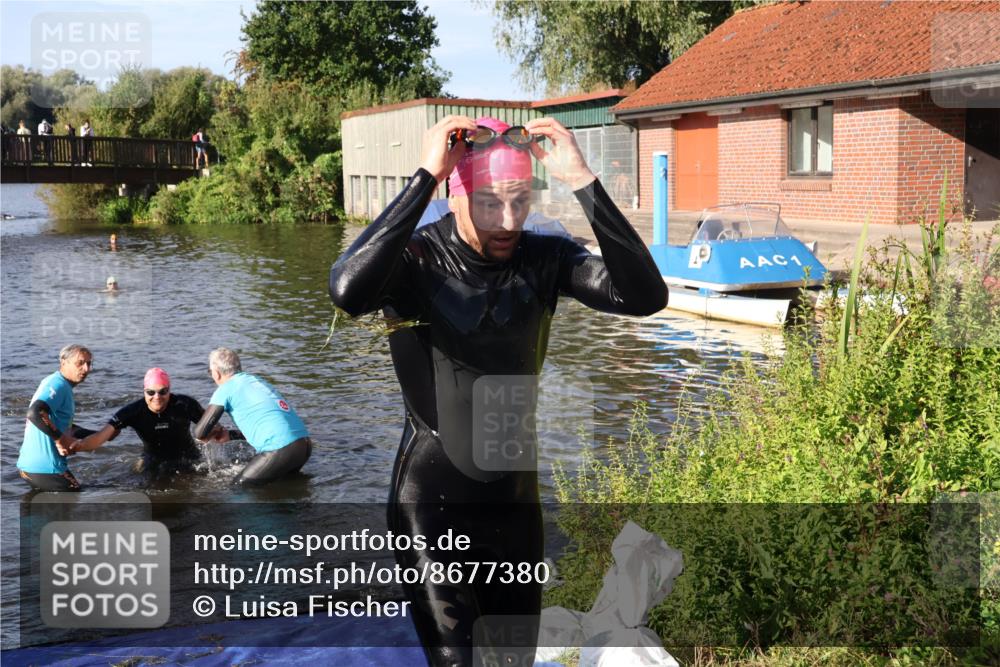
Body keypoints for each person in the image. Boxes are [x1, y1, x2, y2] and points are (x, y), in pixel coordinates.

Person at [328, 116, 666, 665]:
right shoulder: (416, 260)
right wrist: (424, 175)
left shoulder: (545, 259)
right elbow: (347, 290)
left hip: (514, 508)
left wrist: (581, 178)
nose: (508, 221)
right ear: (455, 196)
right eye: (489, 203)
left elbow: (645, 296)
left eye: (519, 200)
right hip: (433, 508)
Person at [70, 368, 237, 479]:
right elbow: (103, 437)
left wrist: (219, 432)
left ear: (169, 391)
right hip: (153, 459)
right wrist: (79, 445)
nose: (157, 397)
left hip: (189, 458)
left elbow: (210, 427)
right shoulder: (133, 411)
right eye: (151, 392)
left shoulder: (184, 404)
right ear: (144, 391)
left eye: (163, 391)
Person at [193, 348, 312, 486]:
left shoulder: (225, 389)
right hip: (304, 445)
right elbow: (265, 424)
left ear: (217, 373)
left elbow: (200, 432)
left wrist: (214, 432)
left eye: (210, 372)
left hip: (281, 449)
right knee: (286, 491)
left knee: (239, 488)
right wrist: (229, 436)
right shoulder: (256, 381)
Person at [16, 345, 97, 491]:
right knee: (78, 498)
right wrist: (60, 439)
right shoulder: (58, 384)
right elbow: (35, 412)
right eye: (80, 363)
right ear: (64, 362)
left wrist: (102, 434)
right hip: (47, 469)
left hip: (28, 468)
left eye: (89, 363)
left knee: (43, 511)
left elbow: (64, 426)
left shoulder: (57, 383)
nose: (86, 369)